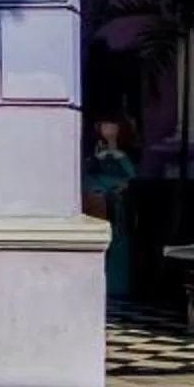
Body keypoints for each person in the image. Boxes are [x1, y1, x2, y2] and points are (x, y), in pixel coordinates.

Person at [83, 116, 137, 301]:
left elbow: (131, 176)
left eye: (112, 127)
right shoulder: (96, 154)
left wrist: (121, 186)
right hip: (99, 200)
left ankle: (118, 286)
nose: (108, 130)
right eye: (105, 126)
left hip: (118, 203)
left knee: (118, 241)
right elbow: (89, 175)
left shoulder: (123, 154)